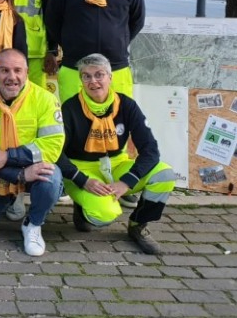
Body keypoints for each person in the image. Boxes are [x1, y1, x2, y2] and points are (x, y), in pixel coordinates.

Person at [58, 53, 175, 255]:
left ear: (110, 77)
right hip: (83, 170)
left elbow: (150, 149)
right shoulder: (69, 107)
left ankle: (138, 225)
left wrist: (127, 182)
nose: (93, 81)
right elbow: (55, 153)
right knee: (103, 216)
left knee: (164, 175)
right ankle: (82, 208)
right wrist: (83, 180)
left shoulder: (127, 105)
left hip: (118, 165)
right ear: (81, 80)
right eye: (86, 76)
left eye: (99, 74)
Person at [0, 49, 64, 257]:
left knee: (51, 177)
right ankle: (7, 197)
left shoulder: (44, 99)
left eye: (18, 70)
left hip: (31, 169)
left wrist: (7, 156)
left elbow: (52, 145)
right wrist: (18, 175)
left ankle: (33, 224)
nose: (11, 77)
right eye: (4, 70)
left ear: (26, 72)